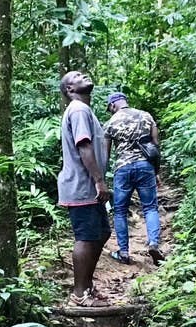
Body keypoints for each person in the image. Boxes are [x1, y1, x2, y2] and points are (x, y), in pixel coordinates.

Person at [57, 70, 111, 306]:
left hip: (88, 186)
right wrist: (99, 180)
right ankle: (79, 294)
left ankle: (87, 286)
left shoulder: (84, 110)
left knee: (101, 233)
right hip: (82, 185)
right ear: (69, 89)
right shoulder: (78, 109)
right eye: (77, 76)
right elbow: (84, 146)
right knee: (87, 236)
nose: (84, 75)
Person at [104, 91, 165, 265]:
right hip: (145, 166)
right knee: (150, 208)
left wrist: (102, 179)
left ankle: (124, 253)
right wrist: (156, 171)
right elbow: (155, 145)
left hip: (122, 169)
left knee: (120, 211)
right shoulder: (146, 116)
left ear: (113, 105)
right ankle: (153, 243)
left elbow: (105, 155)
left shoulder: (110, 123)